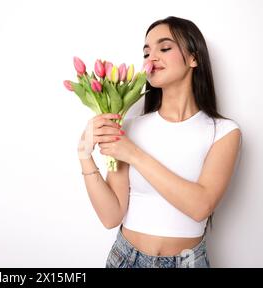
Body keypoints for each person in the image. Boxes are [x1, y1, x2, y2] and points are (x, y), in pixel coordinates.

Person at [78, 16, 242, 268]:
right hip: (125, 258)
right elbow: (111, 216)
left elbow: (201, 206)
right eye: (146, 53)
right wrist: (84, 156)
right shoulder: (129, 127)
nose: (151, 58)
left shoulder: (223, 132)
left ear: (193, 58)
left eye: (164, 48)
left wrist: (133, 154)